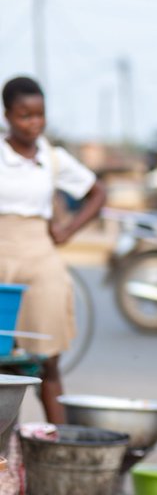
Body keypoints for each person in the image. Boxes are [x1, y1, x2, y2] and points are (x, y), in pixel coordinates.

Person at [0, 76, 106, 423]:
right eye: (24, 115)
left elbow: (97, 193)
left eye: (39, 115)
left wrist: (68, 229)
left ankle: (55, 447)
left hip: (39, 256)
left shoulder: (54, 158)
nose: (33, 123)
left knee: (47, 359)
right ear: (7, 116)